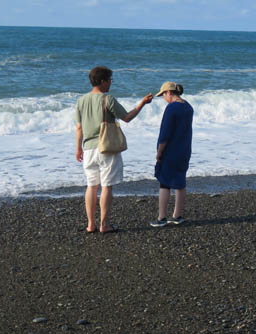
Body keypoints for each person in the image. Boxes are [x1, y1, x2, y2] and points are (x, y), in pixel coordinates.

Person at [75, 66, 152, 233]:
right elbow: (127, 117)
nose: (111, 83)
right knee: (107, 186)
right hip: (106, 147)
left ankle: (90, 224)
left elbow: (79, 128)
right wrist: (142, 104)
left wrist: (78, 149)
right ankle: (104, 225)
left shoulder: (81, 101)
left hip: (88, 149)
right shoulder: (107, 99)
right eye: (110, 80)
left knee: (91, 186)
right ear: (102, 81)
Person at [151, 81, 194, 227]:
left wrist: (159, 152)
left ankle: (162, 217)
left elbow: (165, 134)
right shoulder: (188, 107)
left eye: (163, 94)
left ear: (169, 92)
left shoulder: (171, 108)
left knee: (164, 183)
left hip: (171, 150)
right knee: (180, 182)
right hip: (184, 149)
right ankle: (177, 215)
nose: (163, 97)